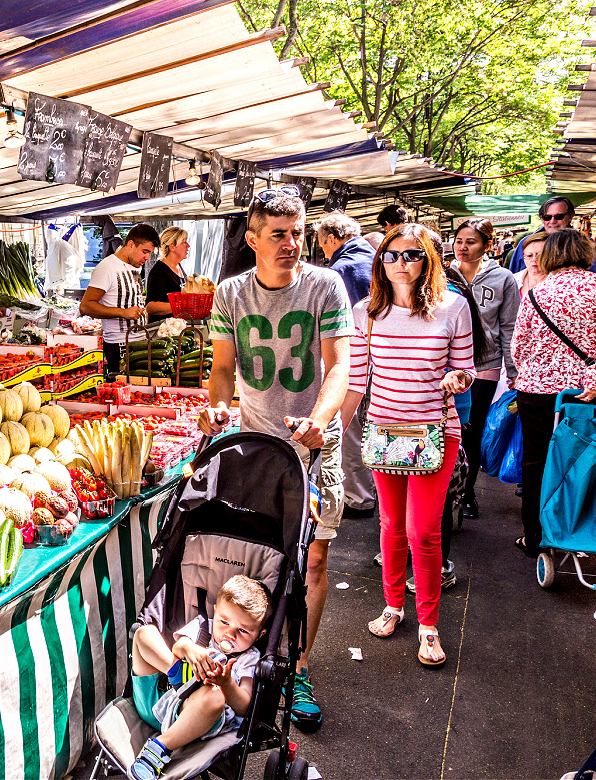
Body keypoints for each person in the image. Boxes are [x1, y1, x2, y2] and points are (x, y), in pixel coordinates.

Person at [198, 186, 351, 730]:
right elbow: (221, 368)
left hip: (314, 445)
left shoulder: (325, 286)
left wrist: (321, 419)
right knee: (258, 557)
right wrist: (217, 409)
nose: (292, 243)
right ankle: (245, 657)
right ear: (253, 239)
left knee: (311, 559)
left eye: (298, 233)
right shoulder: (232, 293)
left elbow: (339, 367)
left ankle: (300, 667)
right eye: (279, 235)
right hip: (256, 445)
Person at [340, 224, 475, 667]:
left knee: (423, 531)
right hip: (384, 435)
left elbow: (466, 368)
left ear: (429, 260)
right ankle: (393, 606)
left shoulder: (453, 307)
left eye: (413, 255)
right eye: (392, 255)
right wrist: (331, 433)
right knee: (391, 526)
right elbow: (356, 381)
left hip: (435, 433)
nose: (401, 263)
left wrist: (459, 380)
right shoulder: (366, 313)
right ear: (380, 261)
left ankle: (429, 624)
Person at [511, 229, 596, 557]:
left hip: (536, 390)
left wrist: (535, 370)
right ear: (587, 254)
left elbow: (518, 347)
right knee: (584, 459)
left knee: (537, 462)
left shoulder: (537, 293)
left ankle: (535, 536)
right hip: (586, 393)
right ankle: (578, 528)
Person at [128, 575, 268, 780]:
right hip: (158, 700)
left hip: (195, 721)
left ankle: (159, 748)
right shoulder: (204, 627)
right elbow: (178, 646)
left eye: (243, 630)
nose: (230, 634)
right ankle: (178, 675)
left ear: (260, 635)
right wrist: (190, 649)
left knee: (214, 696)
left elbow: (245, 707)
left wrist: (227, 684)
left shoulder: (248, 658)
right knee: (143, 633)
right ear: (215, 612)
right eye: (224, 622)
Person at [449, 218, 519, 518]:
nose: (463, 247)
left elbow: (509, 328)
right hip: (446, 365)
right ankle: (445, 491)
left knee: (471, 430)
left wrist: (514, 370)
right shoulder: (441, 274)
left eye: (471, 242)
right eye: (459, 241)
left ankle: (466, 492)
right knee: (446, 429)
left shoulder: (502, 279)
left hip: (485, 365)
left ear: (487, 245)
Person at [316, 213, 376, 518]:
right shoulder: (377, 258)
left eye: (321, 244)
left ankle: (358, 497)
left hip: (357, 360)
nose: (324, 251)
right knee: (371, 427)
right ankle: (372, 488)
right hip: (388, 361)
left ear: (330, 238)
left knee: (349, 428)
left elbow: (337, 327)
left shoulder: (341, 268)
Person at [80, 223, 161, 375]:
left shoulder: (136, 265)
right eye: (145, 251)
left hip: (140, 340)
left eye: (150, 253)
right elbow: (85, 306)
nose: (147, 257)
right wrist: (123, 313)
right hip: (118, 345)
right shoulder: (107, 268)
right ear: (131, 244)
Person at [507, 196, 596, 278]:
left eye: (558, 216)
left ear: (570, 217)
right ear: (542, 219)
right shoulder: (527, 243)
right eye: (547, 217)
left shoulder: (585, 244)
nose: (552, 221)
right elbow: (513, 279)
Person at [145, 227, 190, 323]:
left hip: (179, 329)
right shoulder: (159, 271)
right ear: (172, 246)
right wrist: (180, 306)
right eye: (184, 242)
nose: (188, 246)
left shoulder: (179, 267)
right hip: (163, 332)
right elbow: (150, 307)